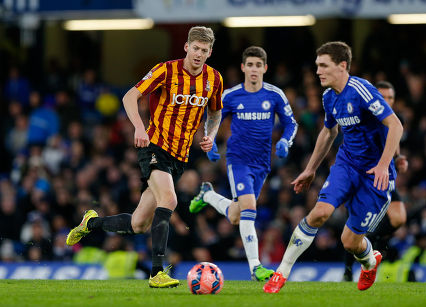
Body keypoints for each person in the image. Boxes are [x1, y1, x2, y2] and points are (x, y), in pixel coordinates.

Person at [66, 26, 223, 288]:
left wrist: (211, 134)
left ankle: (90, 222)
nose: (198, 54)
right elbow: (130, 96)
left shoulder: (214, 79)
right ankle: (157, 273)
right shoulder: (166, 70)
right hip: (154, 146)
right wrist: (139, 127)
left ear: (209, 53)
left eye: (204, 50)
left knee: (139, 224)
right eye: (195, 48)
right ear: (186, 47)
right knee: (170, 199)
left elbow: (215, 112)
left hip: (180, 156)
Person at [263, 41, 403, 293]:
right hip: (347, 164)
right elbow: (329, 131)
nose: (318, 71)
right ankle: (280, 273)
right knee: (319, 213)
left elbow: (396, 125)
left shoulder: (362, 90)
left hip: (375, 174)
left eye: (323, 65)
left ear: (342, 66)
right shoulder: (329, 97)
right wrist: (310, 168)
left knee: (350, 241)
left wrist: (383, 165)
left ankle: (370, 262)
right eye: (317, 65)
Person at [189, 46, 298, 281]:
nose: (254, 69)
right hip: (238, 160)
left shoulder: (275, 95)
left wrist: (285, 142)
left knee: (237, 216)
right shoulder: (231, 95)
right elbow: (213, 117)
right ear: (243, 68)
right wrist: (211, 141)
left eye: (258, 65)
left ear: (265, 68)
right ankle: (255, 267)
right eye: (250, 65)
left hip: (262, 164)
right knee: (249, 209)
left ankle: (207, 195)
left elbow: (291, 124)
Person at [343, 81, 409, 281]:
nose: (387, 101)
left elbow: (393, 145)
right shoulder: (365, 118)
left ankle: (368, 240)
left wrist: (398, 159)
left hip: (385, 174)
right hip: (365, 174)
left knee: (398, 218)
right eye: (384, 97)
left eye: (391, 98)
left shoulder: (394, 120)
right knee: (358, 225)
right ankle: (348, 269)